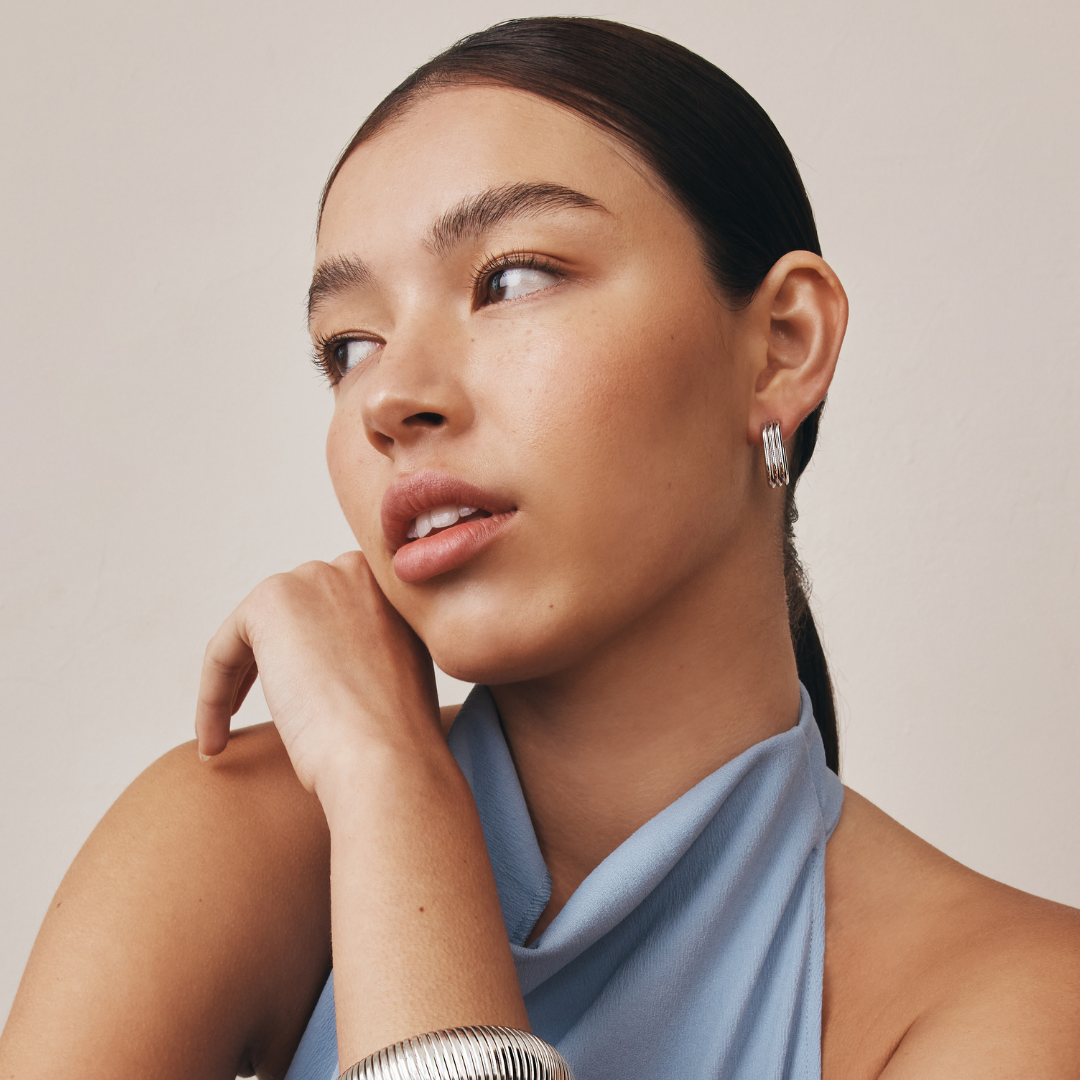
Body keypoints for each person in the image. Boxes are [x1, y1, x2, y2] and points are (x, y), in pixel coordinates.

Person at [1, 16, 1078, 1080]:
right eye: (349, 346)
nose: (390, 398)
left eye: (511, 279)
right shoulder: (231, 837)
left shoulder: (1018, 998)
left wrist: (395, 802)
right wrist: (382, 784)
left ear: (782, 346)